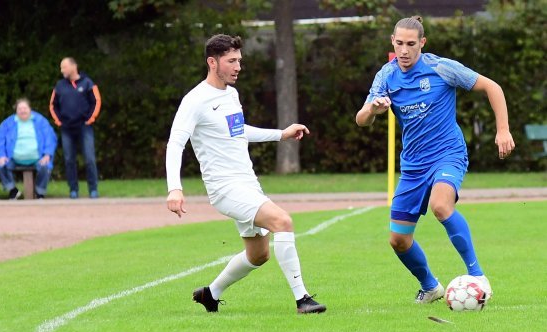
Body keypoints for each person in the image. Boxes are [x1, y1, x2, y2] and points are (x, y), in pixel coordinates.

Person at [355, 16, 515, 303]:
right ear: (392, 41)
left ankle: (477, 276)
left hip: (447, 154)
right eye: (399, 43)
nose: (404, 50)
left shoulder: (441, 67)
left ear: (422, 44)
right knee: (398, 240)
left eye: (411, 44)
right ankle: (430, 286)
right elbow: (361, 119)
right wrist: (373, 110)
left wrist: (502, 130)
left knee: (441, 205)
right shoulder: (386, 75)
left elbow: (493, 87)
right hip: (413, 166)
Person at [166, 34, 326, 314]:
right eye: (231, 61)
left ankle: (210, 294)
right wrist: (174, 188)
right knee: (283, 221)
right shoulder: (195, 100)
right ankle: (303, 300)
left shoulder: (231, 94)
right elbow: (175, 143)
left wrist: (281, 134)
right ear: (212, 62)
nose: (238, 66)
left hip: (247, 183)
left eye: (239, 60)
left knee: (259, 254)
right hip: (224, 188)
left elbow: (238, 131)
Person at [49, 57, 101, 199]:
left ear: (73, 66)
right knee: (69, 160)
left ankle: (93, 189)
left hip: (84, 127)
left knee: (89, 158)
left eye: (64, 67)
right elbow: (53, 105)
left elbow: (96, 101)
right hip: (66, 128)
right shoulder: (59, 85)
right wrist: (59, 121)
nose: (62, 70)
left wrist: (90, 119)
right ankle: (73, 189)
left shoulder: (88, 83)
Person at [0, 98, 57, 199]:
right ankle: (13, 190)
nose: (22, 110)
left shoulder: (40, 121)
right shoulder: (8, 123)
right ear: (16, 110)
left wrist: (47, 154)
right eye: (20, 108)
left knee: (45, 166)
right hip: (13, 158)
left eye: (25, 108)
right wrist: (1, 155)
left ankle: (39, 192)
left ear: (30, 109)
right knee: (0, 165)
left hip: (37, 158)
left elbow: (50, 137)